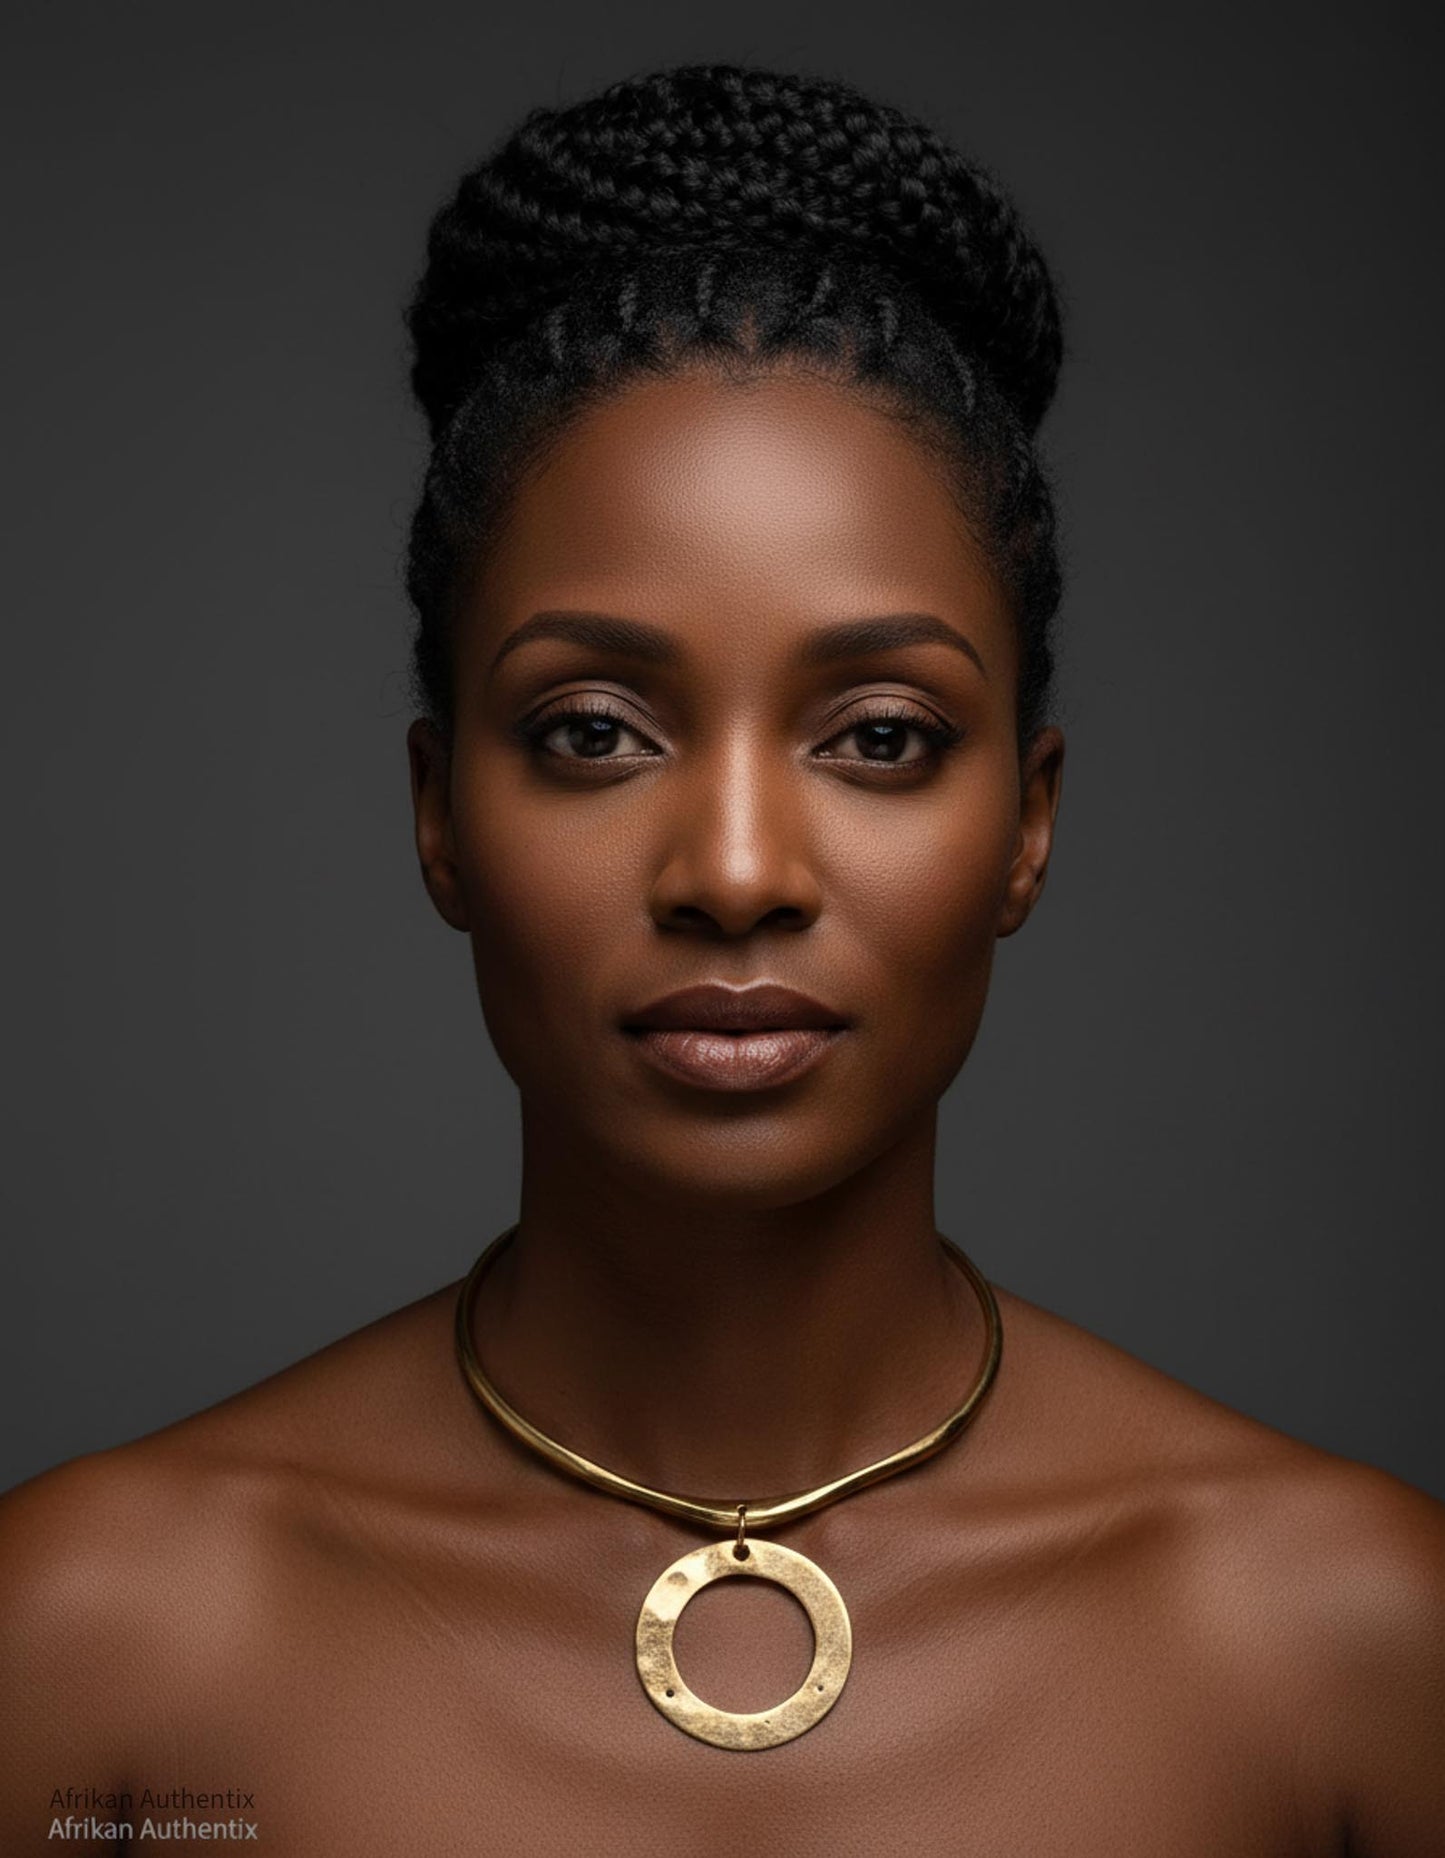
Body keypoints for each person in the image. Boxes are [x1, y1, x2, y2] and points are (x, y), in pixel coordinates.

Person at [1, 61, 1441, 1857]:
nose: (738, 871)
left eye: (883, 734)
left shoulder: (1347, 1651)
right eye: (594, 731)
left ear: (1028, 824)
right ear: (440, 811)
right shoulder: (102, 1657)